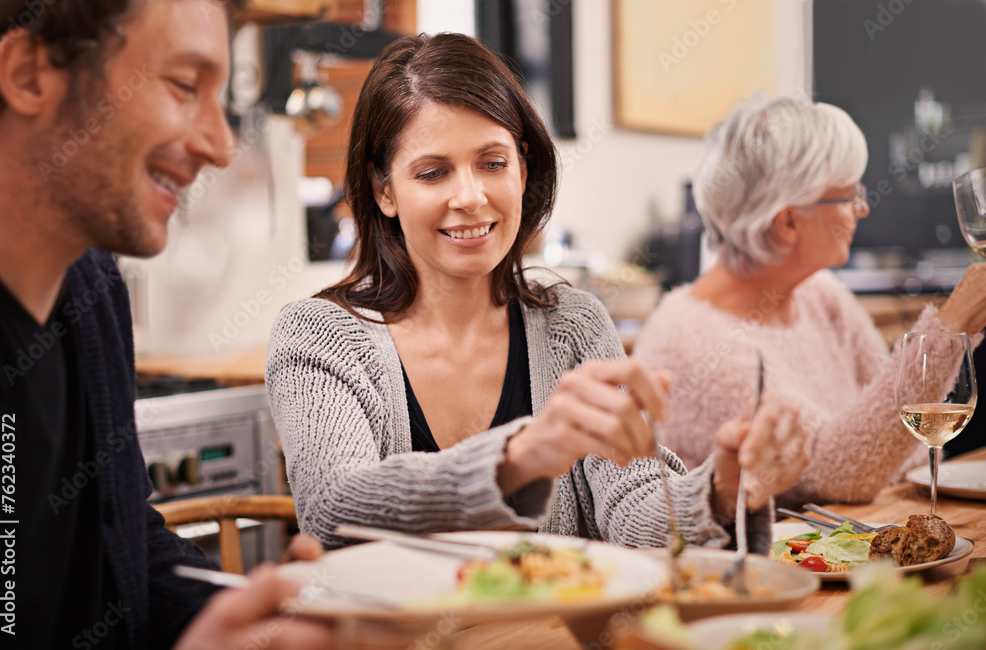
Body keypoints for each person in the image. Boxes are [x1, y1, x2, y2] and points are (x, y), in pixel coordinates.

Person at [266, 33, 809, 556]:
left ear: (523, 168)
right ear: (385, 190)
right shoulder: (318, 336)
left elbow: (632, 504)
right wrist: (521, 456)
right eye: (433, 173)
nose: (471, 197)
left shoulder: (573, 323)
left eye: (493, 163)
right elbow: (334, 513)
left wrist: (717, 489)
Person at [0, 1, 334, 648]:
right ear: (32, 75)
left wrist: (260, 621)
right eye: (183, 86)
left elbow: (129, 548)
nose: (221, 146)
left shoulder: (90, 288)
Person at [633, 96, 986, 507]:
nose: (863, 208)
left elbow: (913, 440)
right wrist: (951, 325)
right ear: (787, 222)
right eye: (849, 196)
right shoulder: (691, 344)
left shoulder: (820, 295)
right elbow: (841, 475)